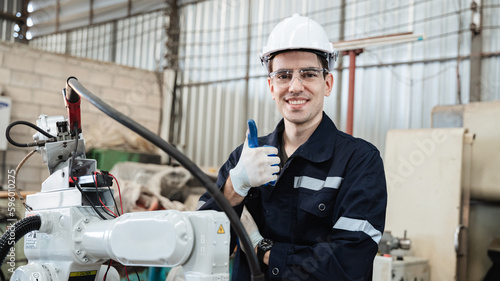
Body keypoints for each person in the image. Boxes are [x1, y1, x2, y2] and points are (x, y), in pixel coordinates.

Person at [198, 14, 387, 281]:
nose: (295, 87)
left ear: (328, 84)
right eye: (284, 75)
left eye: (308, 74)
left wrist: (264, 251)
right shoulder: (244, 157)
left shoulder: (359, 161)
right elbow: (203, 248)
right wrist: (234, 189)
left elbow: (349, 263)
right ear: (271, 86)